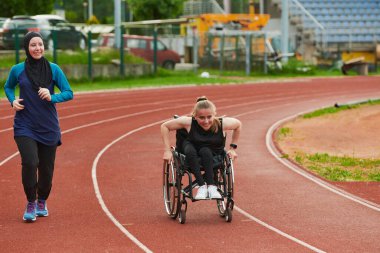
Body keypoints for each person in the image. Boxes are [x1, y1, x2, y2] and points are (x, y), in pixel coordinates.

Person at [3, 32, 73, 222]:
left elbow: (69, 93)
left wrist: (52, 97)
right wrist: (12, 101)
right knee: (30, 162)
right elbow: (8, 87)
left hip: (48, 126)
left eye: (40, 45)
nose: (37, 48)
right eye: (33, 45)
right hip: (24, 125)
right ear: (27, 48)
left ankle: (42, 200)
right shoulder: (17, 70)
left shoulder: (53, 69)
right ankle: (31, 202)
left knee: (46, 170)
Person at [161, 96, 242, 200]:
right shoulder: (188, 122)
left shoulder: (222, 124)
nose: (206, 121)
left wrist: (232, 148)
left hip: (211, 153)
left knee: (206, 151)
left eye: (209, 117)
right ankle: (202, 186)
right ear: (194, 116)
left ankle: (212, 187)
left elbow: (238, 125)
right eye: (202, 118)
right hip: (192, 151)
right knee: (190, 150)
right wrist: (167, 151)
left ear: (214, 115)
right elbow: (164, 126)